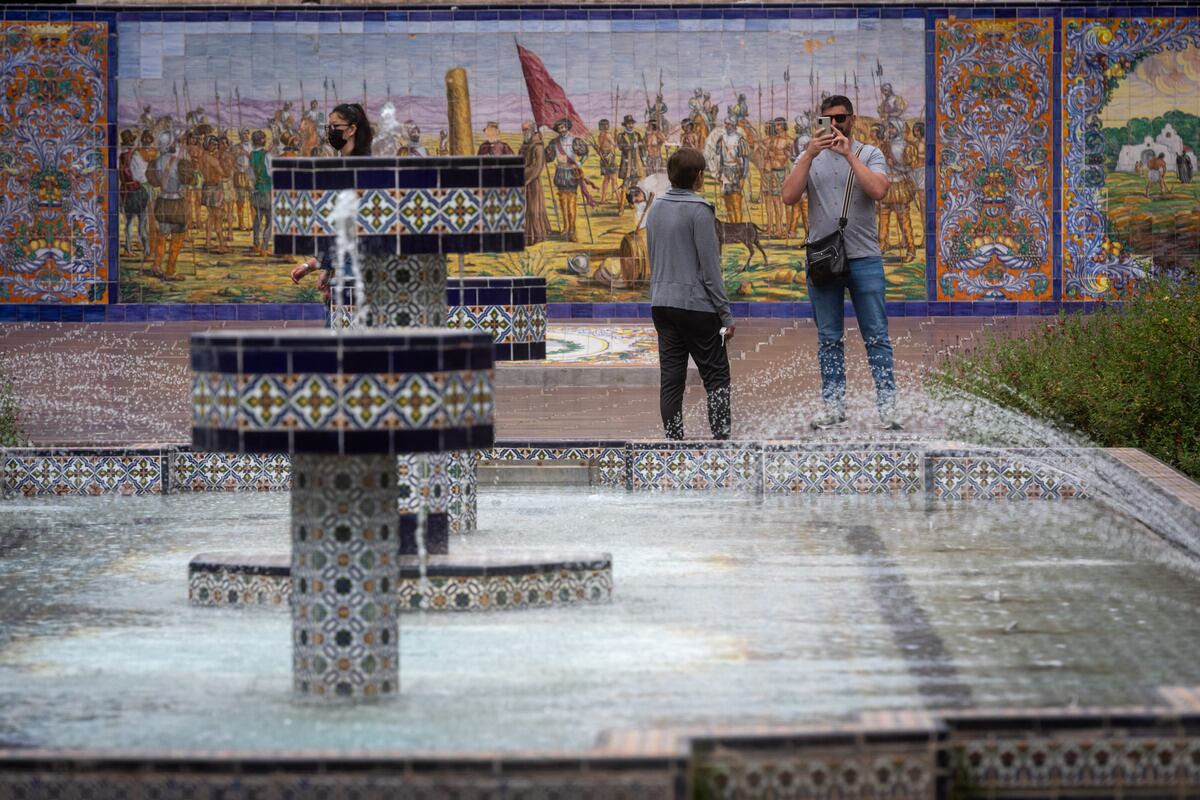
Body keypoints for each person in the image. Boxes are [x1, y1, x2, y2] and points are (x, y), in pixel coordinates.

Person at [782, 95, 898, 430]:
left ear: (853, 119)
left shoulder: (869, 153)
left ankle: (887, 407)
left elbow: (879, 190)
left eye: (841, 118)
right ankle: (833, 405)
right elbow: (788, 196)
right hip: (824, 259)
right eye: (828, 120)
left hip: (864, 258)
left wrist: (848, 154)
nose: (835, 125)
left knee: (876, 335)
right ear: (819, 122)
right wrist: (809, 154)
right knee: (829, 338)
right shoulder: (809, 157)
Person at [646, 148, 735, 440]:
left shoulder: (656, 209)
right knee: (716, 376)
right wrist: (725, 315)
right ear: (699, 176)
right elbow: (710, 270)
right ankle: (722, 442)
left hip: (662, 305)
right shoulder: (700, 211)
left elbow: (655, 256)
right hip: (697, 307)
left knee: (671, 379)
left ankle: (674, 442)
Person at [291, 104, 375, 326]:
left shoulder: (363, 169)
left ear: (351, 130)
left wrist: (319, 264)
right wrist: (325, 267)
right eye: (328, 127)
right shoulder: (342, 166)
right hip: (342, 262)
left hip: (357, 263)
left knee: (349, 333)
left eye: (335, 126)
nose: (330, 132)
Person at [518, 120, 550, 246]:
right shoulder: (525, 144)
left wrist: (523, 175)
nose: (524, 132)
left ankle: (535, 235)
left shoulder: (538, 146)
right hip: (523, 180)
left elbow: (537, 166)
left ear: (532, 130)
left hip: (532, 181)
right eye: (523, 130)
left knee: (533, 208)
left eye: (526, 129)